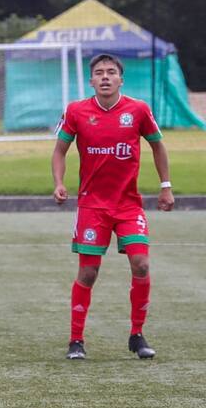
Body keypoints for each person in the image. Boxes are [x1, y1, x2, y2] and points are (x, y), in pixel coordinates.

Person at [52, 53, 172, 360]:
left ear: (121, 79)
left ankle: (137, 334)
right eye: (99, 73)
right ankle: (75, 340)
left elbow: (157, 144)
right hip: (92, 207)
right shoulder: (76, 111)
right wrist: (59, 182)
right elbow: (60, 150)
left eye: (111, 72)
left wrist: (165, 186)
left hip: (128, 206)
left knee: (141, 264)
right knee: (89, 272)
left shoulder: (138, 110)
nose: (105, 77)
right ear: (91, 80)